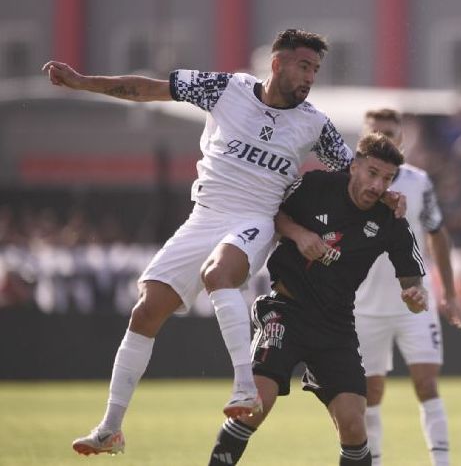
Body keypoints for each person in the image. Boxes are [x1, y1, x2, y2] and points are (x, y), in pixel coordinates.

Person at [43, 29, 356, 456]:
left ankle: (245, 388)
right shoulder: (227, 88)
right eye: (304, 66)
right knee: (146, 309)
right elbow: (147, 89)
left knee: (219, 274)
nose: (310, 78)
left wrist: (389, 191)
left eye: (315, 71)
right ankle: (110, 428)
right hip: (204, 217)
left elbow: (355, 172)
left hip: (255, 219)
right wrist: (82, 83)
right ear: (278, 63)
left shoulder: (314, 123)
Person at [207, 132, 428, 466]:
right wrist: (298, 234)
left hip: (336, 325)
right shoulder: (315, 186)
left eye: (387, 179)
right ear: (354, 167)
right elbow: (272, 213)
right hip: (286, 310)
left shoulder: (390, 221)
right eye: (372, 173)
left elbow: (413, 281)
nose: (378, 186)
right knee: (255, 404)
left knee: (354, 425)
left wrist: (415, 296)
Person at [354, 108, 461, 466]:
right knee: (370, 394)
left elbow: (437, 235)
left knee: (427, 385)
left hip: (415, 303)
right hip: (364, 307)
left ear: (402, 138)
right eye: (378, 131)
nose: (385, 137)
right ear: (364, 138)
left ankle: (442, 463)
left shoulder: (419, 182)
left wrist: (448, 294)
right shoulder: (349, 180)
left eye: (391, 131)